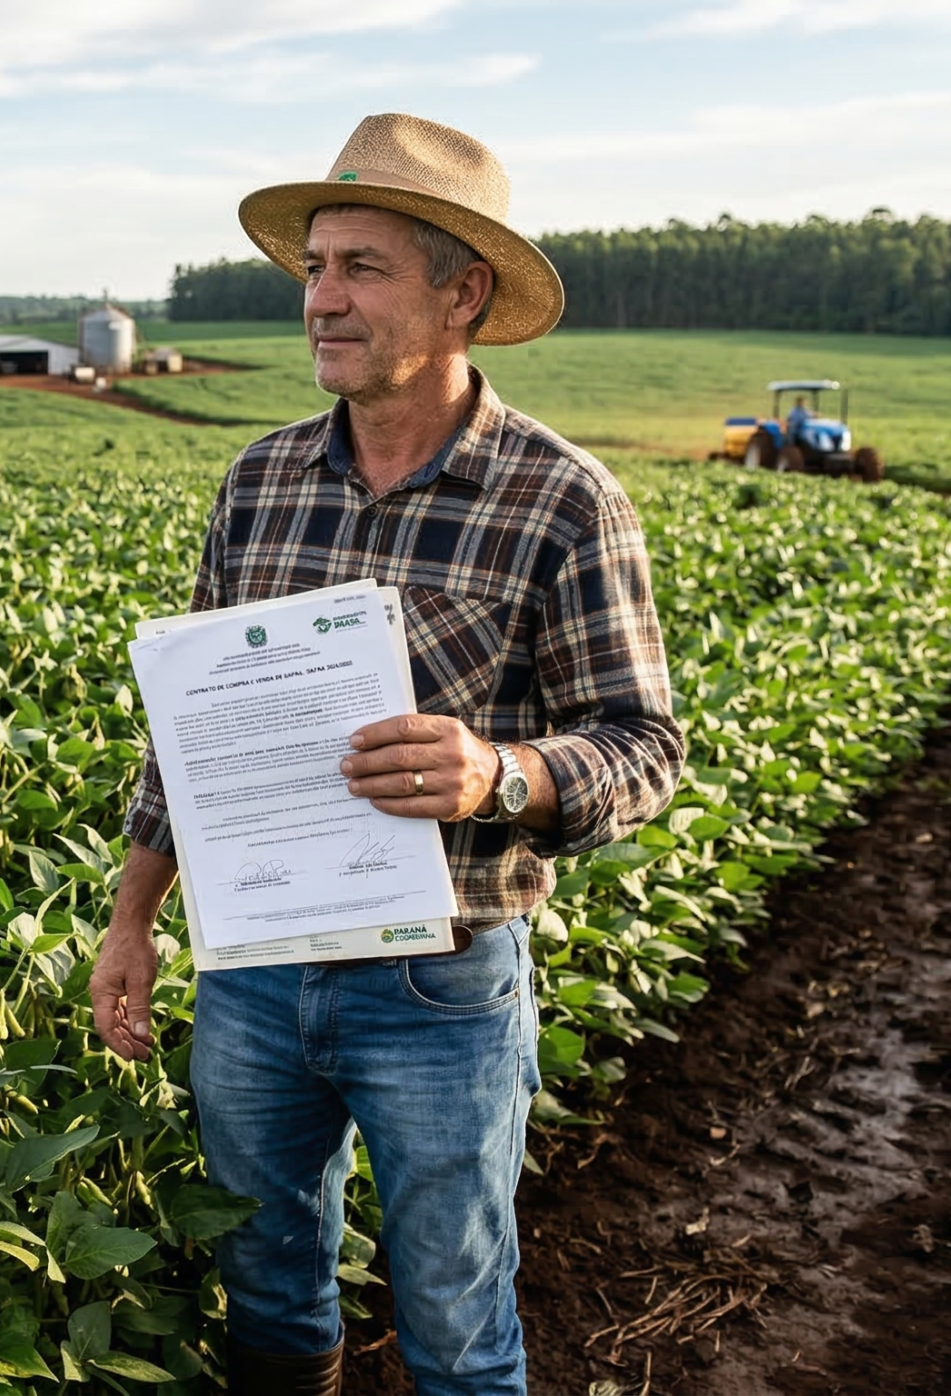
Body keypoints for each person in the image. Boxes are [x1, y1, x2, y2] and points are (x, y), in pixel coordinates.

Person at [85, 113, 684, 1396]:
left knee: (457, 1324)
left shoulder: (560, 499)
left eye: (359, 267)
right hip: (252, 971)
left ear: (462, 292)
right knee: (268, 1288)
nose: (321, 300)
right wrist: (134, 917)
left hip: (439, 986)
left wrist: (499, 775)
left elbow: (643, 749)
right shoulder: (259, 483)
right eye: (312, 268)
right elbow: (182, 740)